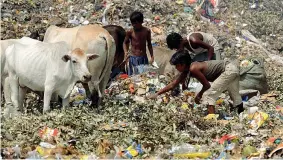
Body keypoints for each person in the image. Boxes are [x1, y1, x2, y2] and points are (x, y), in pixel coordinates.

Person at [148, 50, 244, 115]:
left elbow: (206, 85)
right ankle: (241, 114)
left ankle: (212, 121)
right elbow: (174, 84)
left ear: (183, 64)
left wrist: (199, 95)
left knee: (208, 95)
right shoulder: (187, 70)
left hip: (228, 70)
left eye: (176, 66)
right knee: (235, 94)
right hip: (232, 68)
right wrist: (157, 94)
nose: (176, 68)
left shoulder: (193, 68)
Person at [123, 11, 154, 75]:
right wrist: (126, 52)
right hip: (133, 58)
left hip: (143, 58)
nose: (134, 25)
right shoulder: (130, 32)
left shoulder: (147, 31)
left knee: (143, 76)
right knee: (133, 77)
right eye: (132, 23)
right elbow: (125, 43)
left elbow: (149, 44)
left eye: (135, 23)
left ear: (141, 22)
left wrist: (152, 56)